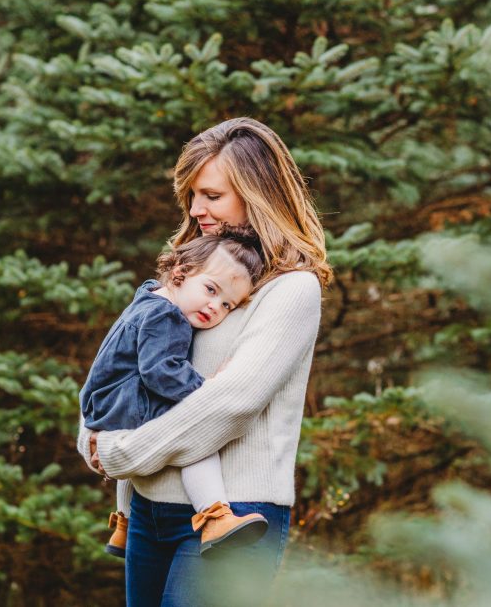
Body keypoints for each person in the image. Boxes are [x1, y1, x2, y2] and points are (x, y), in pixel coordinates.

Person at [77, 117, 332, 607]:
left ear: (257, 192)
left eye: (212, 195)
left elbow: (229, 404)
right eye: (192, 195)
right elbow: (119, 362)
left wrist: (118, 452)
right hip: (148, 512)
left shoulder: (291, 289)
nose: (197, 209)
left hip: (234, 515)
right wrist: (91, 432)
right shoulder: (191, 270)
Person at [78, 224, 269, 559]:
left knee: (147, 442)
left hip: (104, 403)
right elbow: (160, 371)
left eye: (226, 304)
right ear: (181, 272)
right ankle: (215, 516)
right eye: (211, 289)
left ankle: (124, 523)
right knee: (195, 440)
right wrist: (206, 389)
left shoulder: (149, 296)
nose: (215, 307)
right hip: (126, 401)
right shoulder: (169, 317)